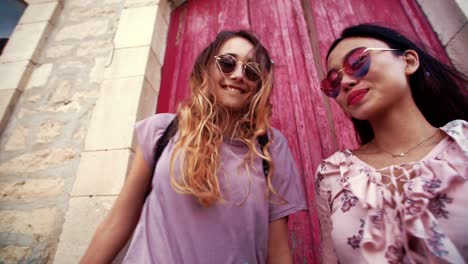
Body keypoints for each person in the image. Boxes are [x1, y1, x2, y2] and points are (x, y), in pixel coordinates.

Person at [80, 30, 307, 263]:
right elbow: (117, 222)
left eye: (251, 70)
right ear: (207, 69)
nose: (239, 75)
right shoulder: (162, 131)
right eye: (228, 63)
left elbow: (278, 252)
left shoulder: (271, 147)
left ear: (259, 84)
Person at [315, 23, 468, 263]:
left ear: (408, 62)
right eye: (333, 82)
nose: (345, 82)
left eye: (357, 62)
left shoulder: (463, 144)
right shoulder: (333, 173)